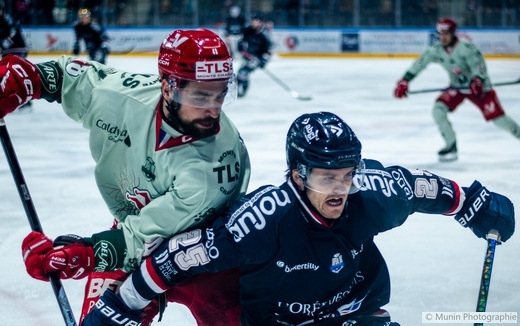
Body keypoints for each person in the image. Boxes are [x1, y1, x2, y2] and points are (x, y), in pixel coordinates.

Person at [81, 111, 514, 326]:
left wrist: (475, 204)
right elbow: (181, 256)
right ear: (297, 174)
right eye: (327, 177)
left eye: (347, 174)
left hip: (354, 314)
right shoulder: (263, 219)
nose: (341, 188)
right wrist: (126, 301)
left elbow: (423, 188)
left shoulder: (371, 191)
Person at [0, 28, 251, 325]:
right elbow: (68, 78)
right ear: (168, 87)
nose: (214, 108)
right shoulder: (121, 97)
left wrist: (82, 255)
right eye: (200, 95)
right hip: (135, 230)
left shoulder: (215, 166)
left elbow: (142, 239)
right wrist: (24, 79)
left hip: (208, 252)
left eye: (221, 92)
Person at [393, 17, 520, 162]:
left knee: (500, 120)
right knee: (438, 110)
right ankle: (451, 145)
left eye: (446, 33)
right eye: (440, 34)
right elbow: (419, 64)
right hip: (458, 88)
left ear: (453, 33)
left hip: (479, 90)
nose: (443, 37)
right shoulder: (436, 50)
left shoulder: (466, 48)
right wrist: (405, 80)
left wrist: (478, 80)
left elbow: (479, 66)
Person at [236, 13, 272, 98]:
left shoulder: (264, 35)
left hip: (257, 58)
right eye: (253, 21)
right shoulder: (248, 30)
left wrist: (263, 60)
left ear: (261, 22)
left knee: (243, 72)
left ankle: (242, 91)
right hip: (248, 56)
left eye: (257, 21)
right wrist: (241, 46)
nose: (254, 23)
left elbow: (267, 51)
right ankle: (240, 90)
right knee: (241, 73)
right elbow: (242, 41)